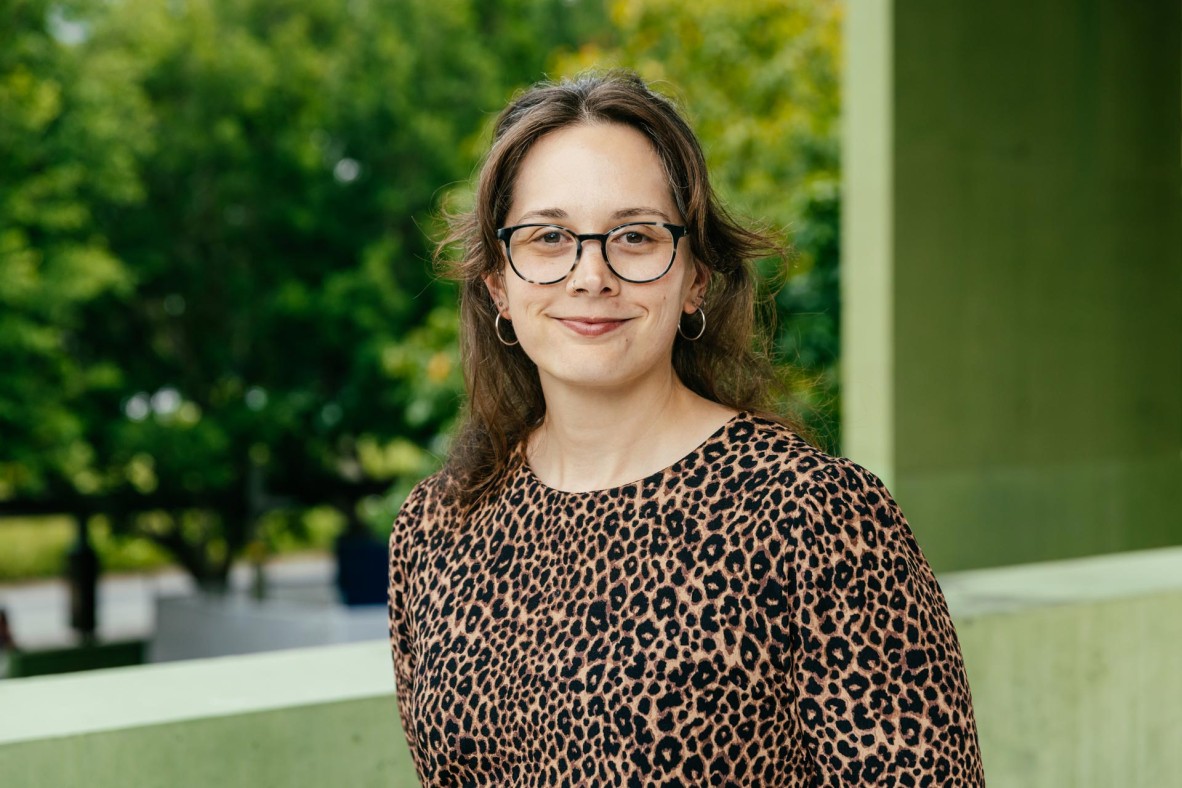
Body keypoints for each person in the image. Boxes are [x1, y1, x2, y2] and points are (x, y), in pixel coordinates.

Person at [388, 71, 984, 786]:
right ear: (498, 285)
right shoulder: (438, 526)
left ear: (696, 275)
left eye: (635, 236)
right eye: (548, 237)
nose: (590, 274)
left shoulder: (811, 515)